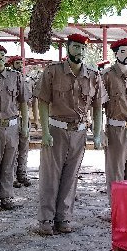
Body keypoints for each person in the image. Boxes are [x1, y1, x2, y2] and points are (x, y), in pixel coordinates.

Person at [36, 33, 103, 235]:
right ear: (67, 48)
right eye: (76, 47)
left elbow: (98, 107)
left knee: (71, 176)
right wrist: (45, 131)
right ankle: (46, 219)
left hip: (79, 132)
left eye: (82, 48)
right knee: (50, 175)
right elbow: (43, 101)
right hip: (56, 130)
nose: (79, 51)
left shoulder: (93, 75)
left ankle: (63, 217)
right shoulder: (53, 72)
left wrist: (97, 134)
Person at [0, 43, 29, 210]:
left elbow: (23, 101)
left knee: (10, 163)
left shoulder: (14, 76)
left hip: (12, 126)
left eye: (3, 54)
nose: (0, 56)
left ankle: (7, 197)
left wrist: (24, 126)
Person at [101, 37, 127, 214]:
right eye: (124, 51)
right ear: (116, 53)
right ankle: (116, 210)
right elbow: (99, 105)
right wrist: (101, 131)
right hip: (116, 128)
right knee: (116, 172)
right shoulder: (107, 75)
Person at [6, 55, 32, 188]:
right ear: (11, 65)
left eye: (21, 63)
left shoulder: (27, 80)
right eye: (17, 63)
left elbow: (31, 102)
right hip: (13, 119)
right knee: (13, 150)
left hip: (24, 118)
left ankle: (22, 174)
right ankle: (12, 177)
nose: (20, 66)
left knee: (24, 149)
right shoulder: (8, 79)